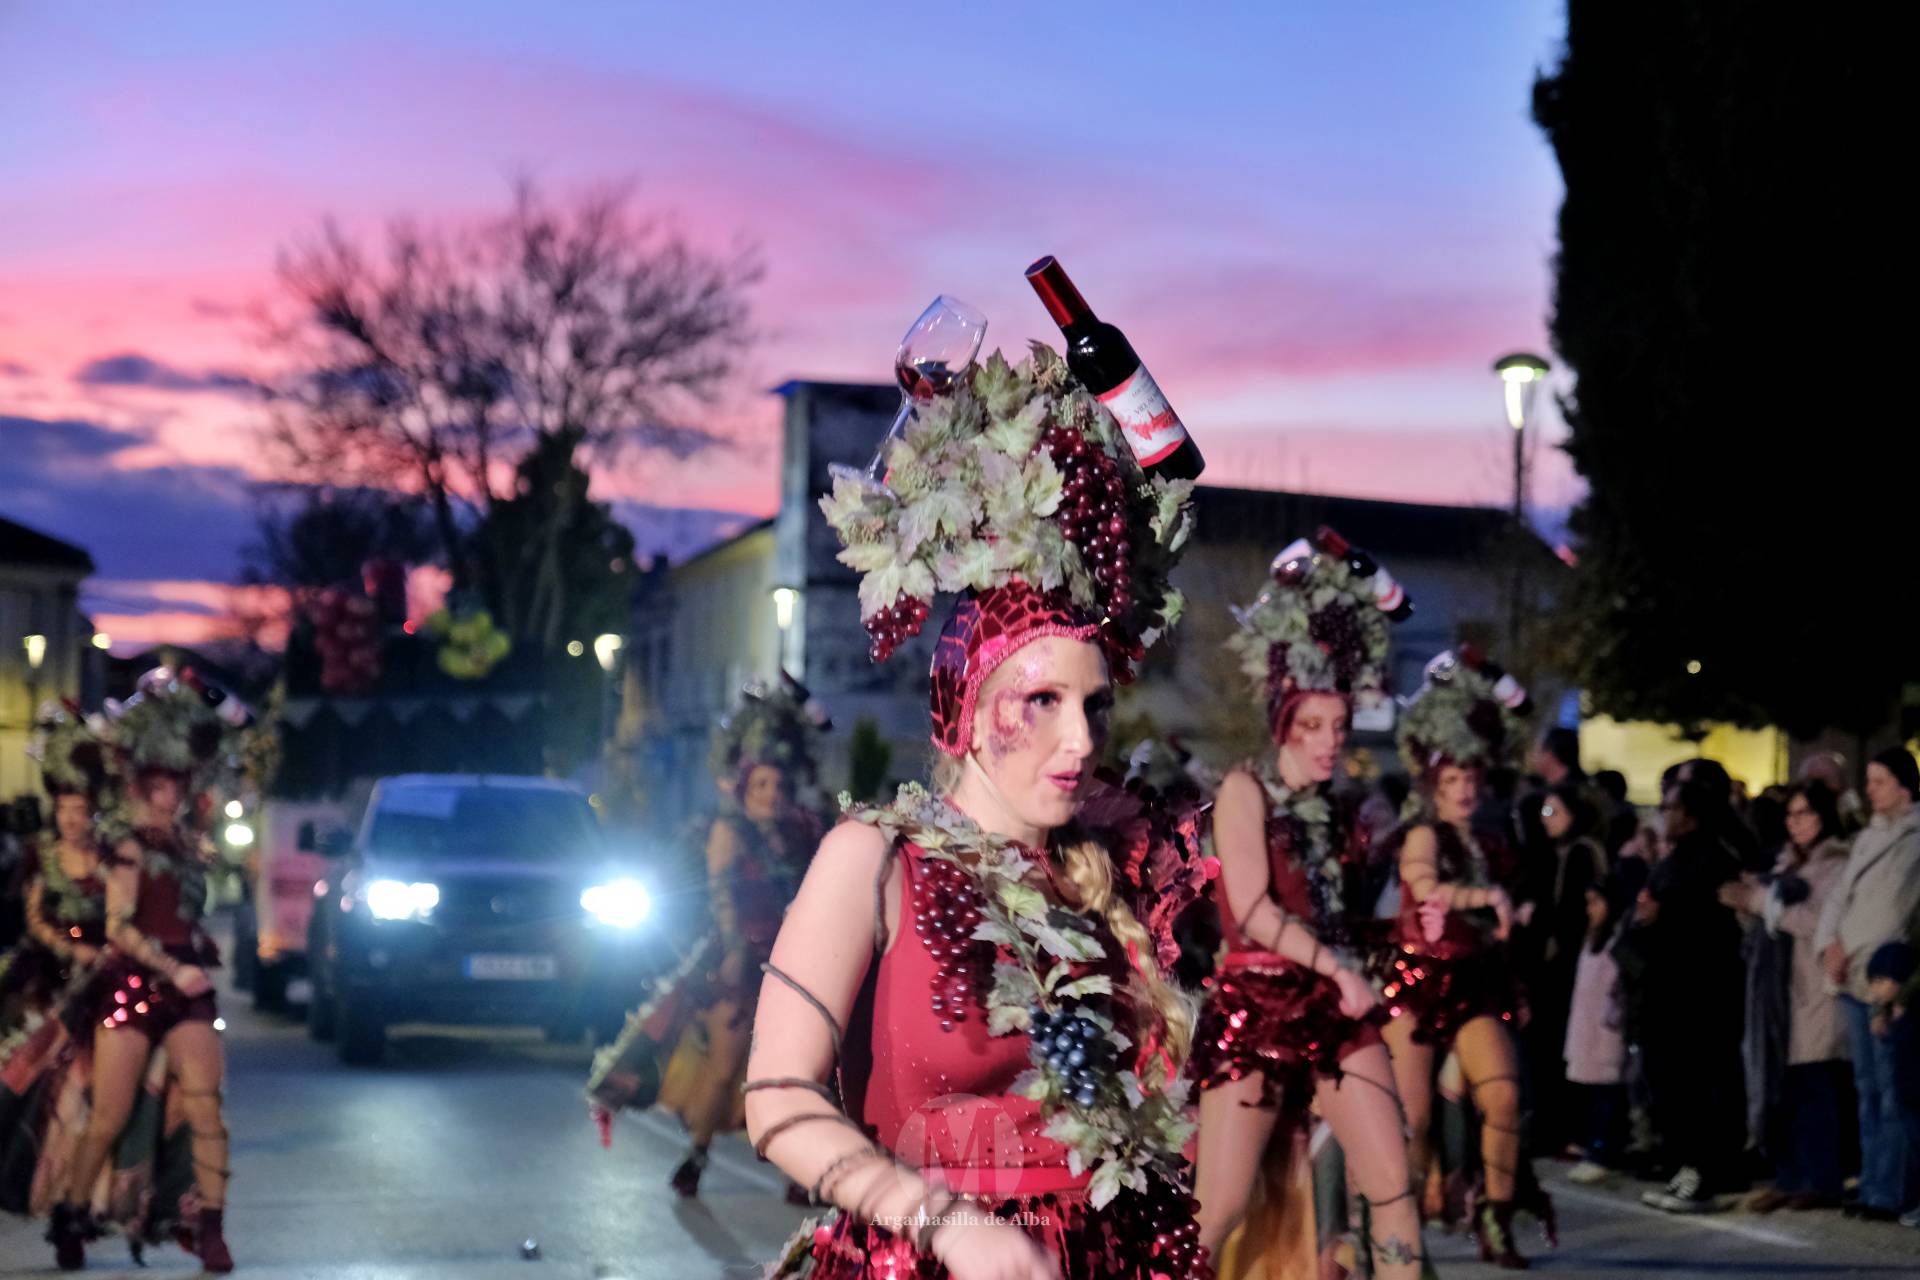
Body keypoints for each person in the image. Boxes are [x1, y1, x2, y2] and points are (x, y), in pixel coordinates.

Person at [745, 342, 1216, 1278]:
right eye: (1040, 702)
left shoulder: (1107, 870)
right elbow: (775, 1097)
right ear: (959, 708)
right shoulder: (875, 858)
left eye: (1094, 705)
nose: (1079, 740)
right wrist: (945, 1223)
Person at [1189, 530, 1425, 1280]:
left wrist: (1401, 917)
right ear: (1282, 722)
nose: (1331, 743)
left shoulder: (1339, 809)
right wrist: (1340, 966)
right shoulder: (1243, 789)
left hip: (1332, 1005)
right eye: (1313, 727)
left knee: (1394, 1184)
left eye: (1340, 727)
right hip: (1256, 1005)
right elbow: (1253, 908)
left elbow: (1342, 917)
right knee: (1216, 1209)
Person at [589, 674, 827, 1200]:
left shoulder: (806, 831)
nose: (772, 796)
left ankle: (794, 1170)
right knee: (723, 1069)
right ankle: (697, 1152)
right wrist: (736, 950)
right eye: (762, 786)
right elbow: (721, 893)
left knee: (797, 1073)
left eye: (781, 786)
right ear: (744, 788)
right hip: (737, 963)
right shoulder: (728, 832)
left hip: (795, 965)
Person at [46, 672, 234, 1273]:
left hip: (188, 991)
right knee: (108, 1116)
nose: (169, 794)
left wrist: (194, 949)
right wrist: (171, 969)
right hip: (131, 987)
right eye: (159, 784)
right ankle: (72, 1216)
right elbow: (121, 927)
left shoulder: (190, 849)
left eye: (176, 784)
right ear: (141, 784)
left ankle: (210, 1228)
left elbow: (182, 913)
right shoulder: (126, 847)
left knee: (206, 1105)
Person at [1376, 646, 1550, 1268]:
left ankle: (1497, 1218)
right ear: (1433, 786)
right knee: (1413, 1117)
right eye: (1452, 782)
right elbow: (1424, 886)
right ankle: (1400, 1235)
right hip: (1418, 978)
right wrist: (1486, 895)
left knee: (1503, 1097)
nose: (1465, 791)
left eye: (1472, 780)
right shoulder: (1423, 833)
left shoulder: (1495, 839)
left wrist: (1514, 916)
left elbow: (1504, 915)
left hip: (1477, 979)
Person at [1616, 770, 1746, 1214]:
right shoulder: (1677, 859)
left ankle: (1699, 1174)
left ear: (1691, 816)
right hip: (1666, 996)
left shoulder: (1708, 860)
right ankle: (1684, 1170)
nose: (1662, 816)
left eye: (1669, 808)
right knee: (1670, 1089)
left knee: (1691, 1090)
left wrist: (1659, 918)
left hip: (1693, 1000)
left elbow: (1705, 932)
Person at [1719, 783, 1852, 1211]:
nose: (1795, 822)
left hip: (1813, 988)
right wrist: (1747, 906)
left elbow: (1820, 923)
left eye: (1805, 813)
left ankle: (1821, 1179)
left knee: (1814, 1086)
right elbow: (1766, 926)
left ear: (1824, 817)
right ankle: (1791, 1175)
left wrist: (1758, 901)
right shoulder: (1785, 862)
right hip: (1778, 994)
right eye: (1791, 814)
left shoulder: (1835, 863)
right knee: (1785, 1088)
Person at [0, 705, 111, 1216]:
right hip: (48, 971)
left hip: (100, 976)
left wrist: (105, 951)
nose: (71, 818)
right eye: (64, 808)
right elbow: (35, 917)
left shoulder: (110, 860)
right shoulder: (42, 857)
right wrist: (72, 949)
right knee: (23, 1063)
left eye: (80, 810)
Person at [1816, 747, 1920, 1221]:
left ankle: (1892, 1188)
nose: (1871, 789)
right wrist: (1830, 946)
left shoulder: (1915, 837)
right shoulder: (1867, 837)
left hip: (1885, 976)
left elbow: (1901, 913)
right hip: (1852, 973)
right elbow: (1841, 899)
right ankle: (1875, 1181)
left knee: (1892, 1085)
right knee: (1867, 1087)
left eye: (1880, 781)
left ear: (1904, 784)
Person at [1515, 784, 1606, 1159]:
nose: (1545, 820)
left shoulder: (1582, 853)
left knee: (1563, 1048)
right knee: (1547, 1050)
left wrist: (1538, 916)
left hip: (1569, 968)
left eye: (1553, 812)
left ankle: (1571, 1131)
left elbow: (1571, 909)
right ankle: (1552, 1128)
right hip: (1553, 968)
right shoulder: (1555, 853)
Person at [1562, 882, 1627, 1184]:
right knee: (1591, 1092)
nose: (1591, 910)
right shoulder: (1591, 941)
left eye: (1597, 902)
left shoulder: (1617, 942)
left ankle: (1603, 1152)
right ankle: (1591, 1145)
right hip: (1586, 1029)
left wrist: (1612, 1019)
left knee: (1606, 1094)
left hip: (1605, 1031)